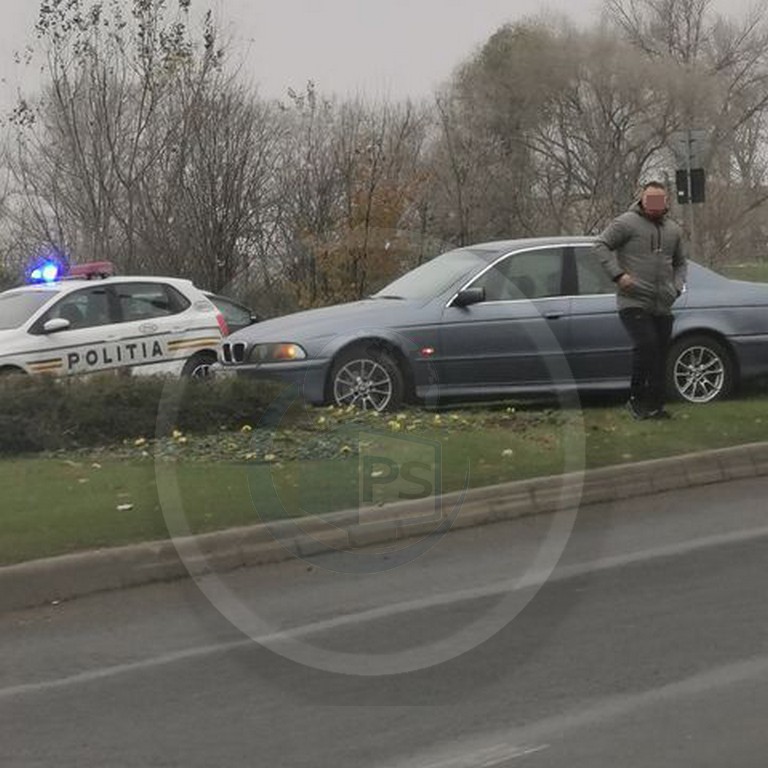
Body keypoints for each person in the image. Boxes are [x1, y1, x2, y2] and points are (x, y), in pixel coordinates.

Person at [595, 180, 688, 420]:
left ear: (666, 202)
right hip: (634, 300)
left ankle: (656, 406)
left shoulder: (673, 230)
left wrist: (677, 287)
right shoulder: (626, 223)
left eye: (660, 200)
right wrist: (618, 275)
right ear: (642, 200)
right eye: (650, 200)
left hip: (663, 302)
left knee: (660, 352)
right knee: (646, 347)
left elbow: (680, 262)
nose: (655, 205)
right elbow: (601, 245)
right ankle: (636, 400)